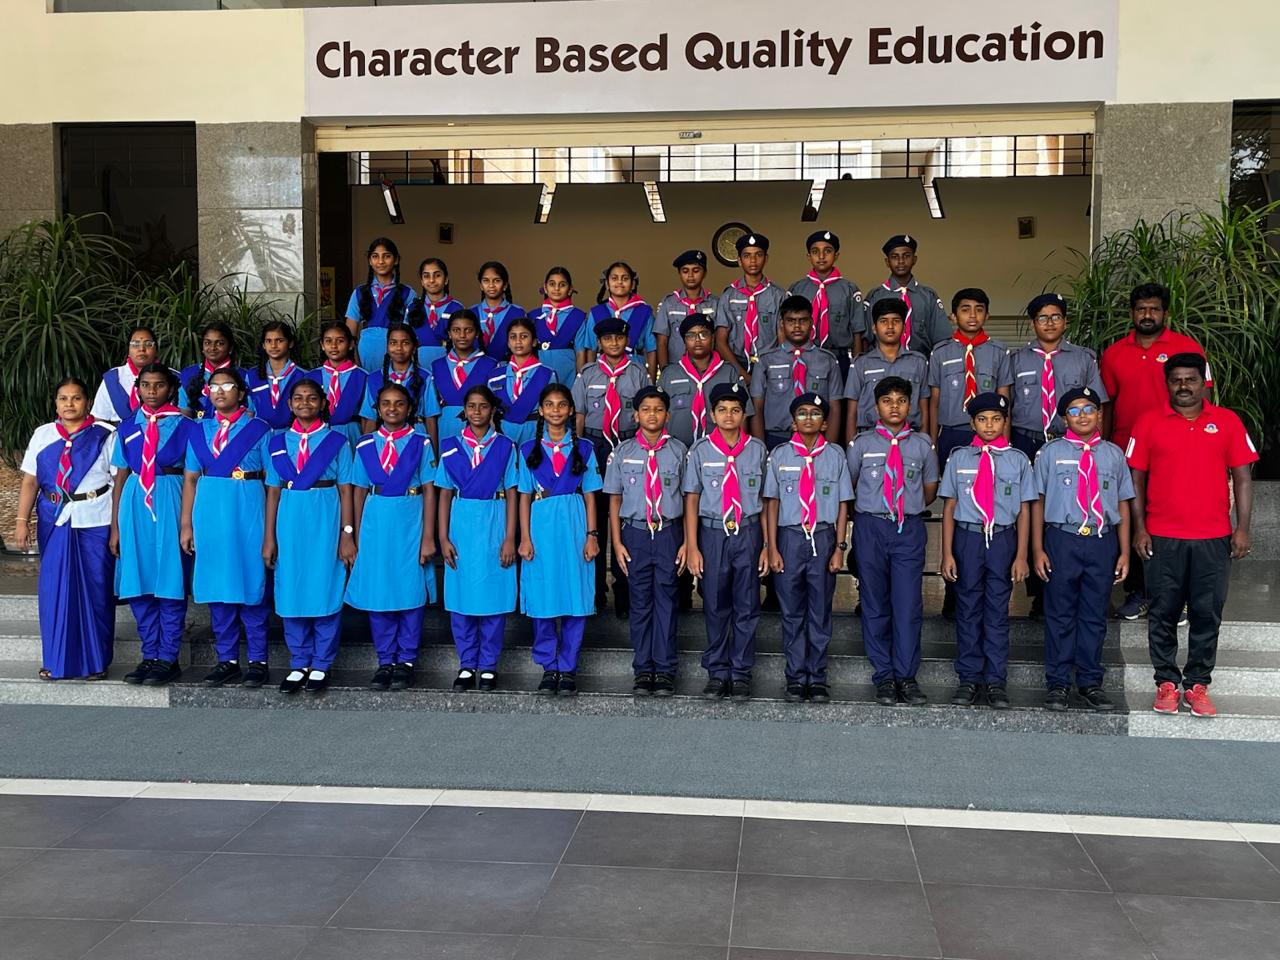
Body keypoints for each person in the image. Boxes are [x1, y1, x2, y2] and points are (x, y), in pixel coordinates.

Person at [1126, 353, 1256, 719]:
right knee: (1162, 612)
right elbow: (1135, 479)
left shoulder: (1227, 421)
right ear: (1167, 384)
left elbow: (1243, 478)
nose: (1184, 386)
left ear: (1203, 382)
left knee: (1206, 613)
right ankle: (1166, 683)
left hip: (1213, 538)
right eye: (1176, 380)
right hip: (1162, 537)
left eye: (1191, 379)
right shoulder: (1148, 422)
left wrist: (1242, 528)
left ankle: (1198, 685)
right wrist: (1140, 528)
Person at [1100, 282, 1211, 620]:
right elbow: (1107, 406)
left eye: (1154, 309)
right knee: (1134, 521)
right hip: (1125, 452)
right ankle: (1140, 592)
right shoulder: (1114, 354)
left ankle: (1177, 596)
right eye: (1141, 309)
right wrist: (1103, 448)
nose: (1147, 315)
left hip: (1176, 452)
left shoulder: (1188, 348)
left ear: (1166, 313)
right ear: (1132, 313)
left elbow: (1205, 398)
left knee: (1171, 522)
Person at [1031, 387, 1133, 712]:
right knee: (1060, 613)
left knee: (1094, 614)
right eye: (1074, 411)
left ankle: (1090, 682)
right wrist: (1037, 548)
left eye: (1089, 409)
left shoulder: (1114, 455)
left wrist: (1124, 551)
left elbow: (1123, 503)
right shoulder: (1050, 453)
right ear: (1065, 419)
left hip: (1102, 541)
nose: (1083, 416)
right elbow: (1037, 502)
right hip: (1063, 539)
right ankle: (1058, 683)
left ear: (1100, 414)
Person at [1009, 292, 1106, 618]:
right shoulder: (1016, 359)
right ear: (1032, 323)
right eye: (1042, 318)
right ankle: (1037, 592)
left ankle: (1068, 585)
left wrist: (1096, 445)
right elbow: (1006, 407)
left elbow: (1099, 406)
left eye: (1055, 317)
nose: (1049, 323)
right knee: (1029, 512)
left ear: (1065, 321)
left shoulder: (1084, 359)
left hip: (1071, 444)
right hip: (1028, 442)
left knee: (1066, 510)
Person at [939, 393, 1037, 710]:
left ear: (1005, 422)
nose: (989, 425)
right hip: (968, 539)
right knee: (967, 610)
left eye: (996, 419)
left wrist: (1021, 555)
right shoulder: (958, 458)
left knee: (996, 612)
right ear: (972, 423)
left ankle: (995, 680)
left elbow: (1024, 511)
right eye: (982, 419)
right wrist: (947, 553)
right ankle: (969, 678)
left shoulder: (1018, 460)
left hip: (1003, 540)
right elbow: (949, 507)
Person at [846, 377, 938, 706]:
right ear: (876, 407)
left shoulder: (923, 445)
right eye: (887, 401)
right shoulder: (860, 444)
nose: (894, 406)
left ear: (910, 405)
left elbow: (929, 491)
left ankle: (906, 676)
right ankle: (884, 675)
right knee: (874, 602)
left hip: (907, 528)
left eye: (901, 400)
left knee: (908, 604)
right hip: (871, 526)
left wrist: (904, 507)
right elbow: (850, 486)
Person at [16, 378, 115, 680]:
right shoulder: (43, 434)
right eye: (63, 398)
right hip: (54, 517)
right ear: (56, 403)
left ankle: (96, 663)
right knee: (54, 590)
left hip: (96, 518)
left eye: (76, 398)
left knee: (96, 589)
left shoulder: (105, 435)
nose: (69, 404)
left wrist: (118, 527)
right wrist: (21, 521)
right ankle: (56, 661)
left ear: (88, 402)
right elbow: (30, 481)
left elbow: (119, 480)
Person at [179, 367, 273, 688]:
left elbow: (273, 482)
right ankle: (227, 660)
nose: (220, 391)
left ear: (242, 393)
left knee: (252, 584)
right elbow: (191, 478)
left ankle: (258, 660)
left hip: (248, 508)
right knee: (219, 588)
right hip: (210, 511)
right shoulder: (198, 430)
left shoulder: (259, 429)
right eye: (214, 386)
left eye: (228, 386)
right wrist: (186, 525)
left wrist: (271, 530)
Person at [262, 378, 356, 695]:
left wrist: (347, 533)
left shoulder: (337, 442)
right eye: (298, 398)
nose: (305, 403)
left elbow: (346, 490)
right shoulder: (276, 442)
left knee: (325, 586)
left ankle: (321, 663)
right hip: (289, 520)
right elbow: (273, 493)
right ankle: (299, 660)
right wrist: (269, 537)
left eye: (312, 397)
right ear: (290, 404)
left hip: (325, 517)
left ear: (323, 403)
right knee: (291, 588)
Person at [346, 383, 437, 692]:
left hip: (410, 519)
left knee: (409, 588)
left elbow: (430, 490)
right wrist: (354, 533)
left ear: (409, 408)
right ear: (377, 408)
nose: (392, 409)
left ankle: (406, 660)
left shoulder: (421, 442)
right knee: (379, 589)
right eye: (386, 403)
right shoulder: (365, 444)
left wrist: (428, 536)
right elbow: (358, 492)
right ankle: (385, 659)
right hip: (375, 522)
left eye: (399, 403)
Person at [683, 381, 769, 701]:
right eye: (722, 410)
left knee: (746, 604)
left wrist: (765, 545)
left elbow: (765, 500)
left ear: (744, 414)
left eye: (735, 410)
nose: (729, 416)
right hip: (713, 532)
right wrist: (692, 546)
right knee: (716, 603)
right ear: (712, 414)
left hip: (747, 531)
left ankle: (741, 671)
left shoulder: (758, 450)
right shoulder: (700, 451)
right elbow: (692, 499)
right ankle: (718, 671)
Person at [764, 393, 852, 702]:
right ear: (793, 422)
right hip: (789, 538)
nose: (808, 418)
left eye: (815, 413)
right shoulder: (779, 455)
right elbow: (771, 505)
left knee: (819, 610)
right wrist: (772, 548)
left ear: (825, 423)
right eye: (802, 413)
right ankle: (795, 675)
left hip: (824, 537)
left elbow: (842, 505)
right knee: (791, 612)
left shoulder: (835, 456)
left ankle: (817, 676)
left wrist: (840, 547)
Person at [518, 383, 602, 697]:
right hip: (541, 526)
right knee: (543, 596)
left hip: (574, 524)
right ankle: (548, 665)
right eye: (550, 405)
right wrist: (525, 538)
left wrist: (592, 536)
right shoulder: (528, 449)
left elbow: (591, 496)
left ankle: (567, 667)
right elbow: (524, 496)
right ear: (541, 410)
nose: (556, 410)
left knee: (575, 596)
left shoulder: (585, 449)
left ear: (570, 410)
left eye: (562, 404)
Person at [604, 386, 687, 697]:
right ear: (636, 415)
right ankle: (643, 669)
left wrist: (686, 542)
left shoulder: (680, 451)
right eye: (646, 409)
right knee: (639, 603)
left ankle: (664, 669)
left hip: (669, 533)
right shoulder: (622, 452)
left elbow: (689, 498)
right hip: (635, 534)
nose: (652, 414)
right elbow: (614, 500)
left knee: (666, 601)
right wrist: (617, 543)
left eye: (659, 409)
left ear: (668, 415)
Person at [110, 364, 190, 687]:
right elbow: (120, 477)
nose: (152, 391)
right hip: (134, 502)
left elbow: (194, 475)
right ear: (138, 389)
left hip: (170, 495)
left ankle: (168, 657)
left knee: (169, 577)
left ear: (171, 389)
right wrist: (115, 525)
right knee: (138, 579)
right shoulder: (128, 427)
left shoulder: (187, 426)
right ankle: (149, 654)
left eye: (159, 385)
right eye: (145, 385)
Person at [435, 385, 519, 692]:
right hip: (461, 523)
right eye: (471, 406)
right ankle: (467, 663)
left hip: (494, 520)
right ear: (464, 410)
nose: (477, 412)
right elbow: (444, 494)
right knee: (461, 599)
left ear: (493, 410)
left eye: (483, 406)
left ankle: (489, 665)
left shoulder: (506, 447)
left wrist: (510, 537)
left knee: (493, 597)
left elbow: (512, 492)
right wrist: (443, 536)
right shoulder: (449, 447)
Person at [573, 316, 651, 617]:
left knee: (625, 518)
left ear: (627, 340)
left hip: (628, 445)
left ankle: (624, 593)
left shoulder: (639, 372)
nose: (614, 343)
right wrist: (578, 451)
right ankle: (595, 591)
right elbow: (579, 415)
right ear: (599, 343)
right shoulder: (587, 373)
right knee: (595, 519)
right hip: (594, 446)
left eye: (619, 338)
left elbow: (646, 412)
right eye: (607, 339)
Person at [927, 288, 1013, 470]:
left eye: (979, 309)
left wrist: (1004, 443)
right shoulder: (940, 353)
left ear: (987, 316)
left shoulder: (999, 352)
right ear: (953, 317)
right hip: (951, 433)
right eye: (965, 309)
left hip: (990, 433)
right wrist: (933, 444)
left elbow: (1005, 400)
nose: (973, 315)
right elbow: (934, 403)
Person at [749, 295, 842, 449]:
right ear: (781, 323)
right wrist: (761, 448)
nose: (797, 326)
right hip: (777, 437)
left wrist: (829, 449)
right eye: (791, 321)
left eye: (803, 320)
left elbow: (835, 409)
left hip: (817, 439)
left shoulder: (827, 360)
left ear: (812, 322)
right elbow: (757, 408)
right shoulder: (766, 360)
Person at [657, 314, 748, 449]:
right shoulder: (669, 374)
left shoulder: (729, 372)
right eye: (691, 335)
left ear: (713, 338)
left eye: (703, 334)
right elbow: (657, 413)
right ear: (684, 341)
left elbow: (743, 414)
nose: (697, 340)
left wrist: (738, 448)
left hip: (719, 451)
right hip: (676, 450)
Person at [843, 299, 929, 438]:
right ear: (874, 328)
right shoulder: (861, 364)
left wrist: (924, 443)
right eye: (883, 321)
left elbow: (924, 409)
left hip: (910, 437)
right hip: (869, 438)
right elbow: (851, 413)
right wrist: (852, 445)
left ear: (904, 327)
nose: (890, 326)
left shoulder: (918, 362)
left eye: (896, 321)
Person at [788, 230, 865, 377]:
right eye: (815, 252)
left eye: (827, 251)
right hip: (804, 356)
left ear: (836, 256)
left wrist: (856, 366)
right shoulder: (797, 289)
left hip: (840, 357)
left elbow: (857, 332)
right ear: (809, 257)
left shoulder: (849, 289)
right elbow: (786, 328)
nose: (821, 256)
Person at [862, 234, 951, 357]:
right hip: (883, 363)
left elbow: (942, 338)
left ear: (914, 259)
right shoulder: (875, 296)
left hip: (922, 362)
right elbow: (865, 339)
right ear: (887, 262)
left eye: (906, 256)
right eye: (895, 257)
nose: (901, 261)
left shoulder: (928, 296)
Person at [715, 232, 786, 382]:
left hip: (770, 364)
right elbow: (720, 341)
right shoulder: (728, 296)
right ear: (739, 261)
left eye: (758, 255)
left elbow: (782, 337)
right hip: (736, 364)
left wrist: (777, 368)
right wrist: (741, 373)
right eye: (747, 256)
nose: (753, 260)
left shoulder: (778, 295)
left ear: (766, 259)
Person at [359, 322, 441, 451]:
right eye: (393, 343)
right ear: (387, 347)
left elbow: (430, 419)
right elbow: (370, 419)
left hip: (416, 437)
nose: (399, 348)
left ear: (415, 346)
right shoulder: (374, 378)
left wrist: (433, 454)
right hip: (383, 438)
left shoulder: (425, 377)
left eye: (405, 343)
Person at [431, 309, 500, 443]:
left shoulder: (491, 365)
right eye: (456, 330)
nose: (462, 335)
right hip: (445, 427)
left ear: (477, 333)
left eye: (468, 330)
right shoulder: (437, 366)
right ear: (449, 333)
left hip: (479, 427)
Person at [345, 236, 414, 369]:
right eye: (375, 256)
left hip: (397, 358)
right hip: (364, 357)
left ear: (396, 260)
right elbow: (349, 335)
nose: (381, 261)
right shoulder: (359, 292)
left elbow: (410, 335)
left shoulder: (408, 293)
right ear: (370, 261)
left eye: (387, 256)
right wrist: (355, 365)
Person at [487, 316, 558, 446]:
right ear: (508, 343)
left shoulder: (547, 374)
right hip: (502, 432)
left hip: (535, 432)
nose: (518, 341)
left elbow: (552, 411)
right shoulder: (496, 374)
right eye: (513, 337)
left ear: (534, 341)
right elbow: (488, 410)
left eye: (524, 336)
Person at [584, 262, 658, 378]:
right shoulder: (596, 312)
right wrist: (590, 378)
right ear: (607, 284)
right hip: (602, 371)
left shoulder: (645, 312)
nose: (619, 282)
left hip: (635, 371)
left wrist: (651, 382)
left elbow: (651, 350)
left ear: (633, 284)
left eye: (625, 278)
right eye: (614, 278)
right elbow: (591, 349)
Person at [307, 320, 368, 447]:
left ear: (351, 344)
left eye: (340, 341)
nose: (334, 346)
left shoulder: (362, 376)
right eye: (328, 341)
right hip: (318, 433)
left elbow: (367, 417)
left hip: (351, 434)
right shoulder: (311, 376)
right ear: (322, 345)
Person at [527, 265, 590, 387]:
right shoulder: (533, 316)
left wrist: (580, 382)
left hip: (568, 375)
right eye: (552, 284)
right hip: (538, 374)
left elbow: (580, 353)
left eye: (562, 285)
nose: (556, 288)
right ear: (545, 288)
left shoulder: (578, 316)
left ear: (570, 289)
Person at [654, 250, 718, 367]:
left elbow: (718, 339)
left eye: (696, 270)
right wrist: (665, 371)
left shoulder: (715, 303)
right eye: (685, 271)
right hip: (676, 368)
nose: (690, 275)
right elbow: (662, 341)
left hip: (708, 368)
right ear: (679, 274)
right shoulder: (668, 303)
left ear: (705, 273)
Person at [91, 326, 160, 424]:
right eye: (135, 344)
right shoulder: (112, 379)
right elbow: (98, 419)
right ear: (128, 350)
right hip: (119, 433)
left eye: (148, 344)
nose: (141, 349)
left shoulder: (173, 377)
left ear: (156, 350)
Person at [246, 321, 305, 432]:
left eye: (279, 340)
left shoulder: (303, 376)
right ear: (263, 345)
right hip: (260, 436)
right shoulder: (252, 375)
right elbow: (249, 412)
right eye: (268, 341)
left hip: (293, 435)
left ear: (290, 343)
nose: (273, 345)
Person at [405, 257, 463, 370]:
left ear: (446, 279)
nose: (431, 280)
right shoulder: (412, 307)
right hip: (417, 368)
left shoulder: (457, 308)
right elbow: (404, 339)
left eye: (437, 275)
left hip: (450, 368)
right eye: (426, 276)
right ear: (422, 281)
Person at [180, 321, 241, 420]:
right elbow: (184, 415)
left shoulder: (243, 376)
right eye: (208, 343)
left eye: (220, 343)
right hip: (196, 429)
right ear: (202, 347)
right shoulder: (188, 374)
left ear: (230, 348)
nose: (212, 348)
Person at [471, 260, 526, 361]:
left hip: (507, 367)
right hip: (475, 367)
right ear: (481, 286)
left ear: (505, 285)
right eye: (486, 281)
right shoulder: (471, 312)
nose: (491, 285)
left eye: (497, 281)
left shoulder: (517, 312)